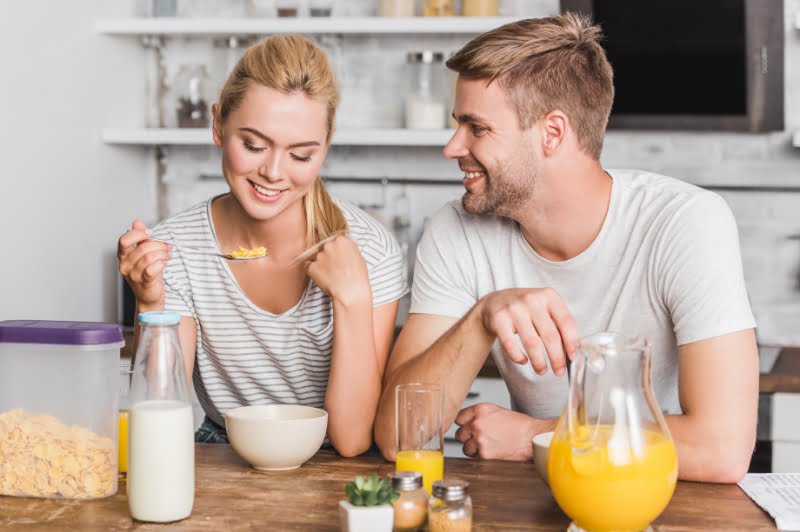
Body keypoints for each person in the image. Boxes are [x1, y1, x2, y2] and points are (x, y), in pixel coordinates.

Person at [374, 13, 758, 483]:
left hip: (653, 498)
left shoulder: (684, 222)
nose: (452, 147)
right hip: (531, 501)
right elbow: (397, 438)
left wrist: (535, 434)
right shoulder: (456, 229)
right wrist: (480, 318)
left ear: (552, 133)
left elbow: (721, 449)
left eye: (477, 128)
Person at [118, 35, 407, 457]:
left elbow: (351, 440)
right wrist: (150, 302)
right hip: (224, 451)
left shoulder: (370, 248)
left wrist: (353, 296)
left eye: (301, 155)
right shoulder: (176, 245)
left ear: (325, 147)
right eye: (253, 145)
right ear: (217, 124)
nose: (273, 171)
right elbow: (160, 416)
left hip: (332, 461)